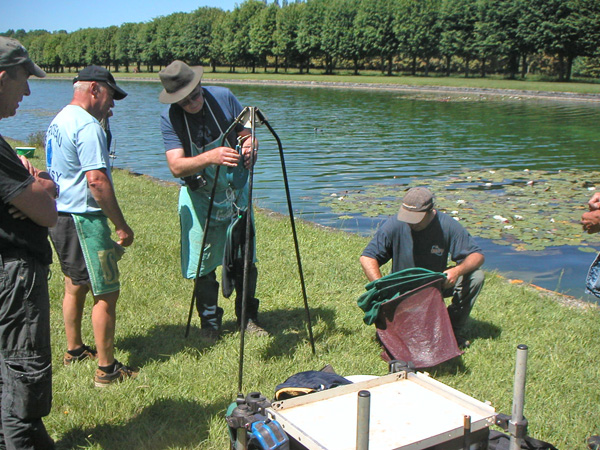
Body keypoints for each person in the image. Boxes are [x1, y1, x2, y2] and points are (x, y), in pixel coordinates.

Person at [158, 60, 268, 340]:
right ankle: (210, 323)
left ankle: (248, 319)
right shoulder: (170, 118)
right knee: (202, 265)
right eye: (184, 100)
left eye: (195, 93)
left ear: (199, 85)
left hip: (234, 191)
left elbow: (248, 134)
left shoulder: (224, 97)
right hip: (200, 197)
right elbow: (176, 166)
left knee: (244, 258)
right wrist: (211, 156)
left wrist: (249, 146)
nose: (193, 101)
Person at [46, 65, 138, 387]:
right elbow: (96, 181)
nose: (112, 105)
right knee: (106, 292)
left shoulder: (59, 120)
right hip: (84, 219)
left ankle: (73, 350)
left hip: (59, 217)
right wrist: (121, 226)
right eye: (111, 96)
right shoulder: (87, 126)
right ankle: (107, 370)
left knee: (75, 283)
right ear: (95, 89)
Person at [0, 36, 57, 449]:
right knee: (23, 376)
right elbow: (47, 212)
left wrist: (35, 186)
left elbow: (37, 197)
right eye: (24, 80)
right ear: (3, 77)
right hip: (14, 275)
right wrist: (38, 186)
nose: (28, 91)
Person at [360, 187, 485, 347]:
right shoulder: (395, 224)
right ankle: (395, 323)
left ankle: (452, 330)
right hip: (402, 288)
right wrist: (382, 288)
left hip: (435, 284)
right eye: (407, 217)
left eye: (415, 219)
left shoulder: (447, 225)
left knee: (476, 277)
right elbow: (367, 257)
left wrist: (456, 270)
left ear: (430, 211)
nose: (410, 223)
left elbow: (477, 256)